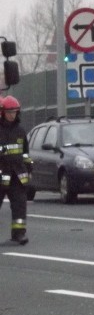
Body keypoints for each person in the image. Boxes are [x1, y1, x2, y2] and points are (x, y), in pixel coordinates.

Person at [0, 95, 32, 245]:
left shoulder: (20, 131)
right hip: (1, 175)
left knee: (20, 205)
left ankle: (19, 234)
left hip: (17, 176)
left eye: (14, 112)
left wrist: (28, 167)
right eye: (9, 112)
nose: (12, 115)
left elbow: (25, 153)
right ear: (2, 112)